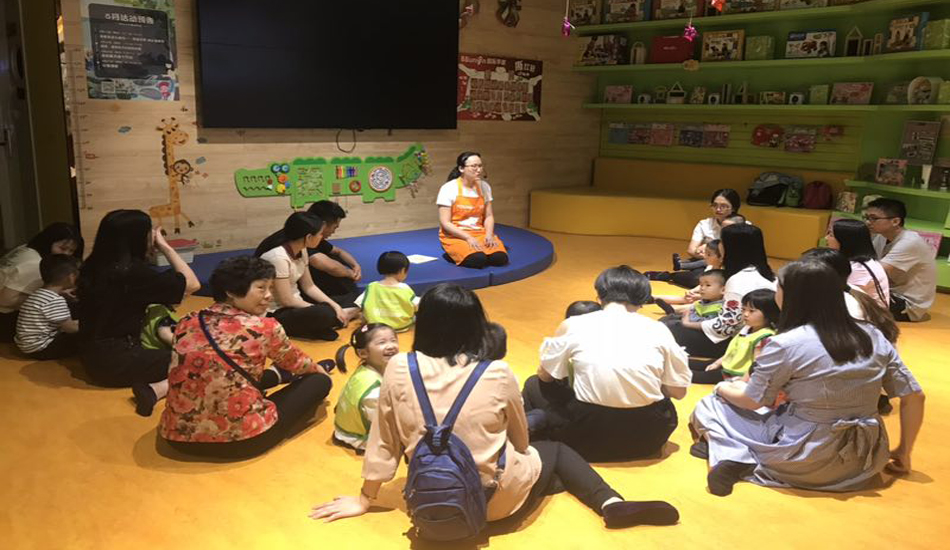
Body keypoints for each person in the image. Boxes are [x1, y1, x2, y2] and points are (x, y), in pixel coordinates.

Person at [310, 283, 680, 533]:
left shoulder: (398, 369)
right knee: (555, 452)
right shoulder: (496, 371)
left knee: (540, 465)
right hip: (495, 502)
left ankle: (560, 484)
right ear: (476, 324)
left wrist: (365, 499)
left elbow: (383, 441)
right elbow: (520, 442)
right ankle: (610, 503)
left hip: (429, 502)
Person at [690, 259, 925, 496]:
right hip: (865, 460)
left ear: (789, 296)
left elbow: (752, 401)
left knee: (710, 406)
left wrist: (721, 387)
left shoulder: (786, 342)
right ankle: (737, 457)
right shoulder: (872, 334)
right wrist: (904, 451)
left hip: (803, 457)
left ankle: (735, 457)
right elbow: (915, 396)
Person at [159, 255, 333, 459]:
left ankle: (277, 374)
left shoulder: (187, 321)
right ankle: (281, 374)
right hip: (243, 441)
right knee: (319, 381)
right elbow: (298, 362)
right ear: (231, 291)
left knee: (225, 372)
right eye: (261, 288)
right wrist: (318, 371)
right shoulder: (264, 327)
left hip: (176, 437)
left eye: (270, 288)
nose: (269, 295)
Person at [527, 266, 691, 462]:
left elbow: (546, 376)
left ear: (599, 295)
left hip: (583, 438)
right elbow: (678, 392)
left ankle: (525, 434)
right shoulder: (659, 329)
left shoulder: (574, 324)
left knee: (533, 383)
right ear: (642, 299)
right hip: (647, 439)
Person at [77, 210, 200, 415]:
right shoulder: (132, 274)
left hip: (90, 356)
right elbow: (192, 284)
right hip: (117, 361)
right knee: (200, 359)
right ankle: (155, 390)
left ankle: (156, 387)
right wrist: (165, 246)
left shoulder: (91, 266)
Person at [668, 223, 776, 360]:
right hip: (755, 336)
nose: (719, 245)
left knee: (666, 327)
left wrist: (689, 324)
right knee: (673, 320)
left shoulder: (739, 281)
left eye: (722, 242)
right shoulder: (767, 274)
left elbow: (725, 327)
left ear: (732, 248)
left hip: (735, 342)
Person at [255, 212, 360, 341]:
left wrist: (335, 306)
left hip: (298, 305)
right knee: (325, 313)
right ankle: (333, 320)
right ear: (309, 237)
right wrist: (324, 308)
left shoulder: (302, 250)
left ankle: (332, 320)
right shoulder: (278, 258)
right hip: (278, 311)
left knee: (357, 299)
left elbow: (309, 286)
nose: (321, 237)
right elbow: (286, 300)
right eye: (320, 234)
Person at [1, 222, 83, 342]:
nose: (66, 254)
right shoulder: (34, 264)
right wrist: (51, 296)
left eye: (71, 251)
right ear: (48, 242)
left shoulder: (26, 249)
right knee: (67, 309)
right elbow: (5, 300)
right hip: (5, 319)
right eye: (62, 248)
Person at [647, 189, 741, 288]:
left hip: (731, 264)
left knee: (728, 281)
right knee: (699, 280)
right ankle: (669, 276)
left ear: (733, 208)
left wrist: (713, 251)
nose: (718, 209)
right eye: (714, 205)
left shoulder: (743, 225)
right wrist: (708, 254)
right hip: (704, 262)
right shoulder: (704, 224)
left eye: (724, 206)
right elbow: (691, 250)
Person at [863, 198, 936, 321]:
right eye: (867, 217)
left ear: (895, 221)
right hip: (889, 292)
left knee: (848, 297)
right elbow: (867, 262)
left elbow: (873, 272)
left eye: (874, 218)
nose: (868, 222)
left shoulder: (910, 242)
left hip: (907, 304)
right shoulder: (881, 237)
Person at [332, 323, 399, 453]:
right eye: (382, 342)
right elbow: (382, 423)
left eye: (393, 340)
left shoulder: (364, 370)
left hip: (348, 429)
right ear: (363, 353)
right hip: (360, 438)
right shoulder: (373, 390)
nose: (391, 346)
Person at [437, 152, 509, 269]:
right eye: (474, 166)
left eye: (480, 166)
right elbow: (445, 223)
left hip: (479, 233)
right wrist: (468, 238)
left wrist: (489, 235)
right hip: (456, 235)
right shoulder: (448, 188)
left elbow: (489, 216)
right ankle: (451, 252)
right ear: (461, 168)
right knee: (478, 260)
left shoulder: (485, 187)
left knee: (500, 259)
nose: (478, 170)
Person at [693, 289, 779, 385]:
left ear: (769, 313)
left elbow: (757, 366)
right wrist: (717, 363)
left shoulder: (764, 337)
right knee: (688, 363)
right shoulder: (747, 328)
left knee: (691, 375)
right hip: (727, 365)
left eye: (751, 311)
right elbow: (733, 351)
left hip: (736, 375)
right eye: (743, 309)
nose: (745, 314)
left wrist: (741, 382)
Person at [14, 254, 81, 360]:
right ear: (71, 277)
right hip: (41, 349)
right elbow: (70, 328)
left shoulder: (38, 294)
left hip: (27, 345)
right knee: (82, 336)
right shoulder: (55, 300)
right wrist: (90, 324)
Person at [827, 218, 890, 309]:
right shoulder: (857, 262)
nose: (826, 238)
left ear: (845, 240)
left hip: (867, 316)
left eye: (831, 235)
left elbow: (842, 299)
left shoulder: (859, 269)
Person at [306, 200, 362, 301]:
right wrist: (351, 274)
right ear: (323, 225)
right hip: (310, 295)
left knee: (334, 257)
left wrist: (355, 265)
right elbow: (330, 267)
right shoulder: (305, 238)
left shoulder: (317, 237)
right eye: (334, 227)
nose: (333, 232)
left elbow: (338, 252)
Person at [354, 251, 419, 331]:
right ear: (403, 270)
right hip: (401, 326)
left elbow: (360, 303)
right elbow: (416, 306)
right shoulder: (404, 288)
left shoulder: (372, 286)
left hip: (376, 327)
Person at [653, 238, 723, 311]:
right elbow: (704, 284)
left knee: (697, 303)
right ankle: (653, 298)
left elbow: (718, 295)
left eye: (709, 254)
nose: (705, 256)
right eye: (705, 253)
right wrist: (693, 291)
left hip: (717, 301)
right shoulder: (710, 267)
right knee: (687, 298)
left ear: (721, 257)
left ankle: (675, 309)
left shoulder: (722, 273)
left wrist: (699, 296)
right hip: (706, 295)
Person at [656, 269, 725, 323]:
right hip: (689, 317)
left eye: (708, 285)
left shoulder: (720, 308)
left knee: (670, 324)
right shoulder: (705, 300)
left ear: (723, 290)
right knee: (666, 319)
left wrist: (686, 318)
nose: (702, 288)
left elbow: (704, 323)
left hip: (693, 325)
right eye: (701, 285)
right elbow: (694, 308)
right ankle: (673, 310)